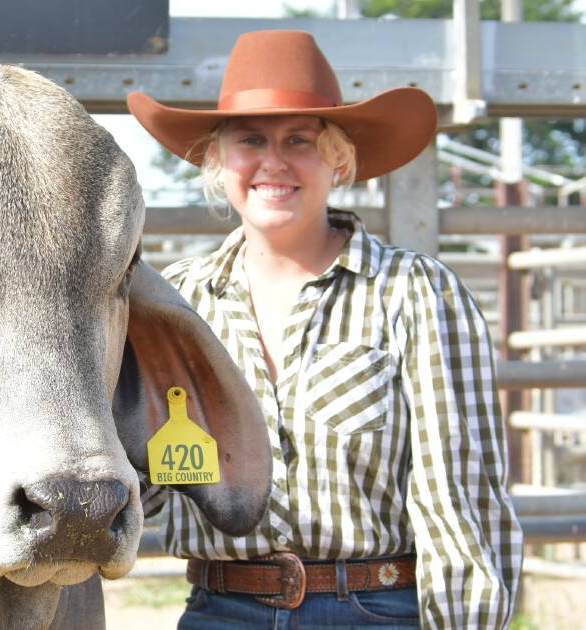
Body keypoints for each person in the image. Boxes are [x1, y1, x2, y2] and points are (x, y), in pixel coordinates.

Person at [128, 30, 522, 629]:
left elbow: (459, 505)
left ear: (339, 158)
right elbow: (143, 482)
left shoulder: (414, 293)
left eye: (300, 141)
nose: (274, 162)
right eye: (250, 140)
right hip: (218, 610)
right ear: (217, 159)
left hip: (371, 609)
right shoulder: (172, 303)